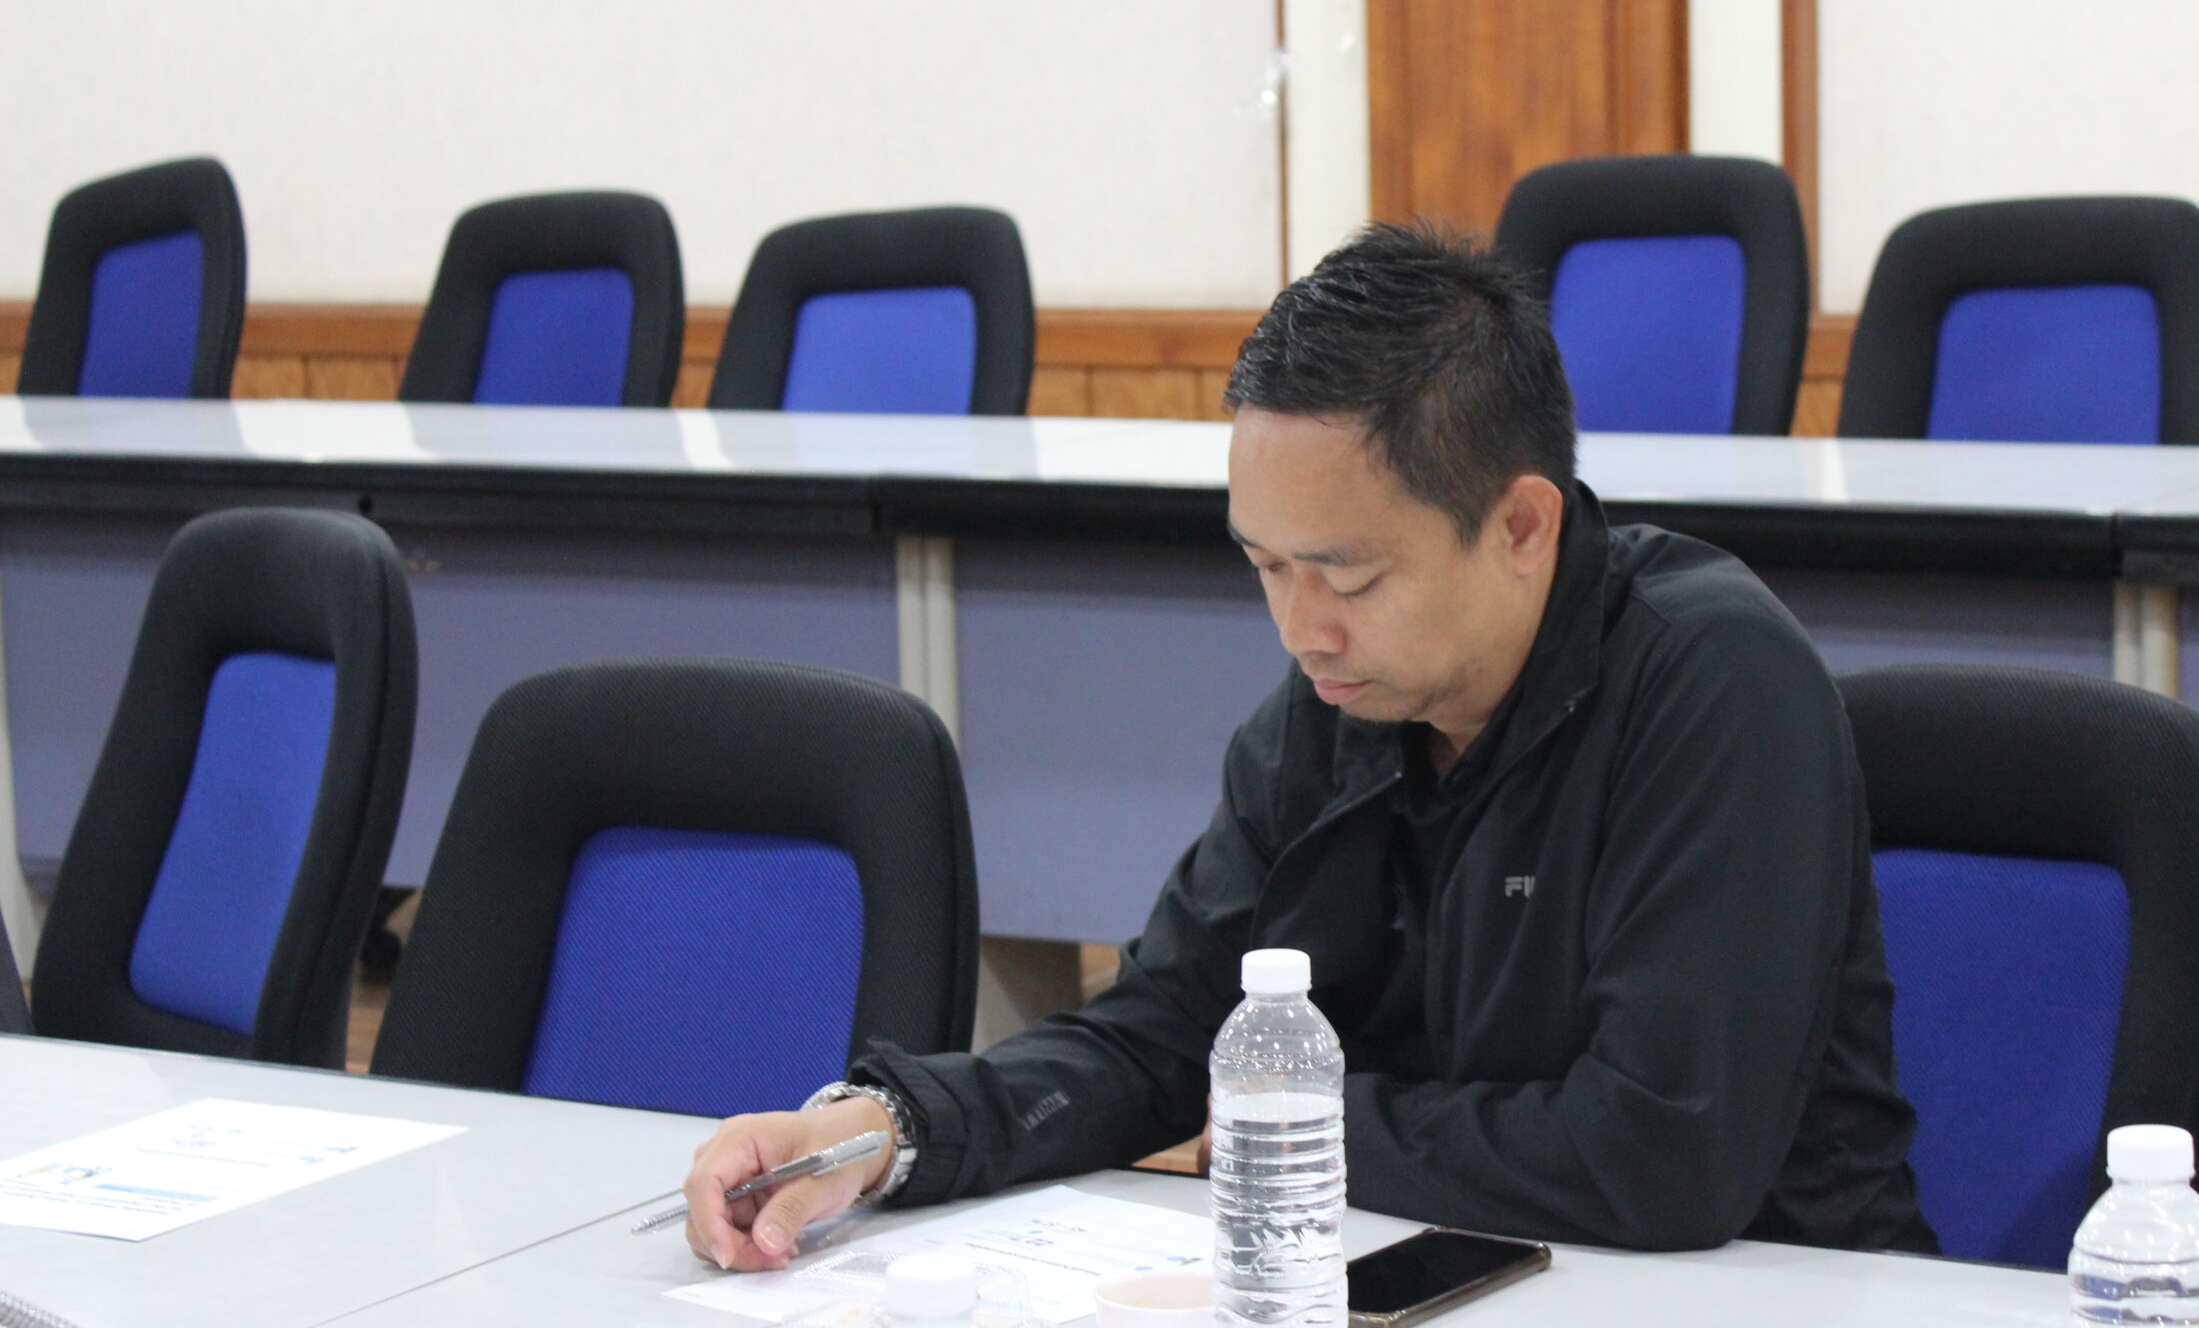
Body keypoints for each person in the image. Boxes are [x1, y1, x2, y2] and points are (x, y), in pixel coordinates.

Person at [684, 224, 1934, 1265]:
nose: (1300, 630)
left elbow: (1662, 1157)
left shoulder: (1711, 680)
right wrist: (885, 1133)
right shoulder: (1342, 703)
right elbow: (1161, 1031)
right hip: (1447, 1291)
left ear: (1521, 527)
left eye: (1349, 575)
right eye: (1266, 566)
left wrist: (1281, 1124)